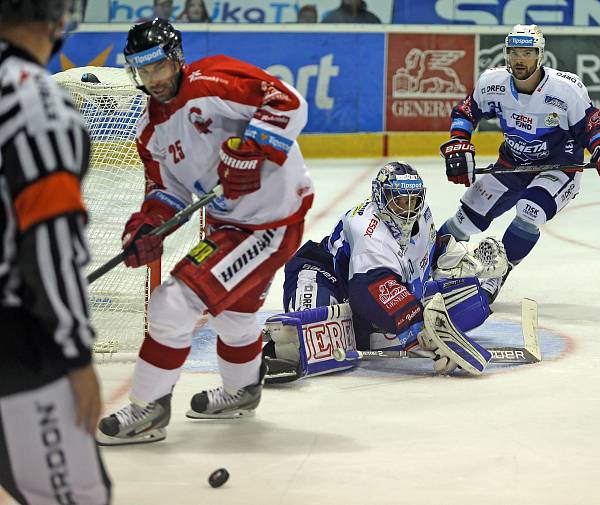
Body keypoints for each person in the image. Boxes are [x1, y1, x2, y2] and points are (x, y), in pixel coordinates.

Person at [96, 18, 314, 445]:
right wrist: (149, 225)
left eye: (158, 67)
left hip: (271, 219)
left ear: (176, 59)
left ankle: (149, 409)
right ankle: (242, 390)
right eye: (142, 71)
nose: (153, 80)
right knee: (234, 316)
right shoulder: (149, 131)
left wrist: (251, 151)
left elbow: (288, 102)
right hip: (228, 223)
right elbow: (166, 191)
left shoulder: (215, 79)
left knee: (171, 303)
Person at [0, 0, 112, 503]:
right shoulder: (36, 102)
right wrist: (77, 356)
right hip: (18, 342)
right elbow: (49, 238)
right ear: (55, 19)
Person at [265, 162, 508, 381]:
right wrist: (420, 331)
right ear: (381, 197)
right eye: (401, 201)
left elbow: (429, 251)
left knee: (471, 299)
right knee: (301, 337)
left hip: (374, 293)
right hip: (325, 275)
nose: (409, 209)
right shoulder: (368, 230)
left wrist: (468, 258)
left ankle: (369, 328)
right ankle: (284, 346)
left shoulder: (422, 216)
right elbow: (372, 287)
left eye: (414, 200)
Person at [439, 24, 600, 303]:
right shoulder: (493, 82)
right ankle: (426, 268)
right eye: (514, 52)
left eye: (527, 52)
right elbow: (467, 111)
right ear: (506, 54)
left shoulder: (565, 89)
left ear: (540, 55)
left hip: (558, 168)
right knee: (464, 220)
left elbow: (591, 123)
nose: (519, 59)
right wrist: (458, 140)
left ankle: (495, 275)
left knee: (529, 211)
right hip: (512, 164)